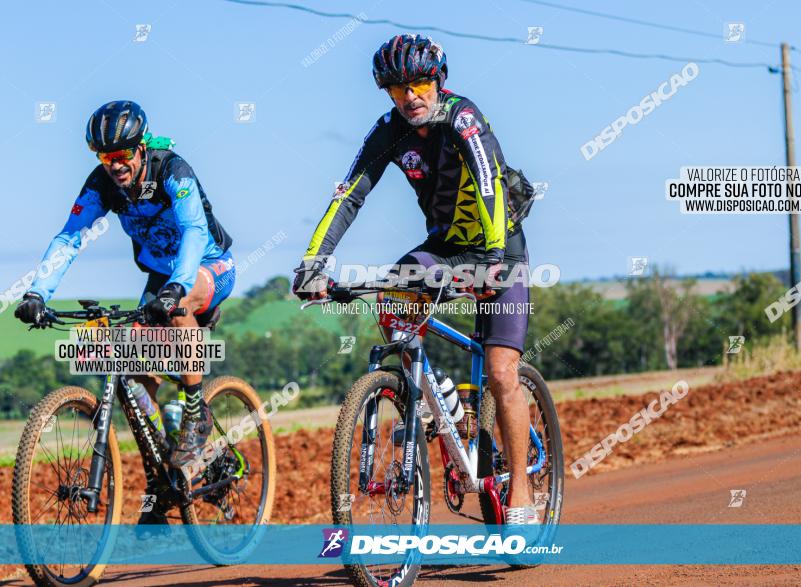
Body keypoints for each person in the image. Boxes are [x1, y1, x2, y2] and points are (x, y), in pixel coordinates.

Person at [292, 35, 538, 525]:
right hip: (444, 248)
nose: (411, 97)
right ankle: (433, 395)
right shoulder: (389, 132)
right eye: (398, 88)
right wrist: (313, 262)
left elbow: (488, 185)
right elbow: (350, 194)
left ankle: (524, 492)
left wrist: (490, 259)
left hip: (499, 247)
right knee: (391, 295)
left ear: (438, 81)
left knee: (501, 372)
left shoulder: (462, 118)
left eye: (420, 84)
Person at [14, 100, 235, 530]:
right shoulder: (102, 184)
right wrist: (38, 291)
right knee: (129, 377)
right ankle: (163, 481)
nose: (114, 165)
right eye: (104, 156)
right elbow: (70, 237)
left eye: (121, 155)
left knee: (177, 310)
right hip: (159, 278)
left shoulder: (172, 169)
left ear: (140, 147)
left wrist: (178, 285)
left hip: (208, 267)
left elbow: (193, 230)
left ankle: (195, 411)